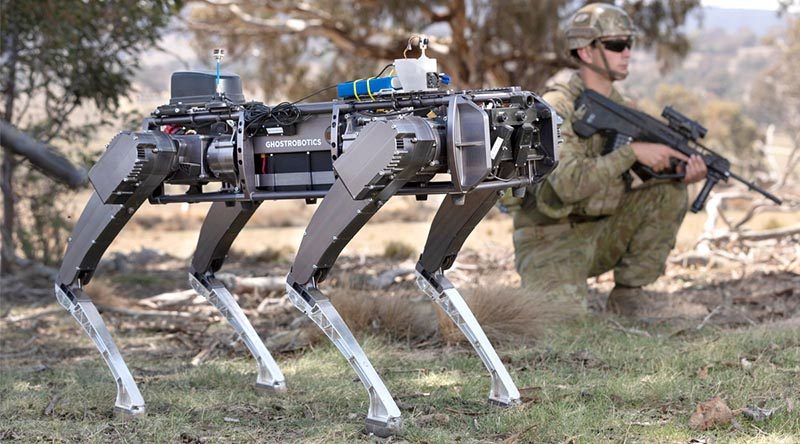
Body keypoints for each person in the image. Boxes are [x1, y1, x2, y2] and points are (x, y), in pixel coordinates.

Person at [509, 3, 707, 317]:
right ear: (586, 52)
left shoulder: (624, 108)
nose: (627, 52)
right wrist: (632, 153)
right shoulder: (557, 106)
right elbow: (568, 185)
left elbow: (631, 179)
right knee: (561, 328)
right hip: (549, 239)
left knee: (667, 193)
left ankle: (629, 296)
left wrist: (676, 174)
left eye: (629, 44)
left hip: (601, 231)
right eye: (617, 45)